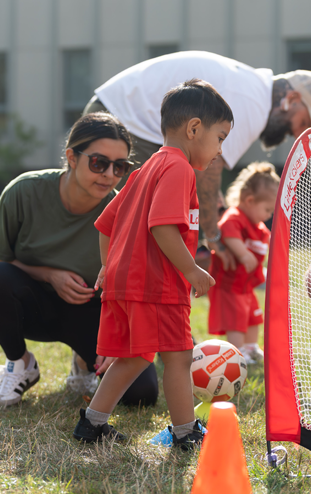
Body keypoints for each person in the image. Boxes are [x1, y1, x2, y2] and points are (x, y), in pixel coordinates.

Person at [72, 79, 232, 449]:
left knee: (133, 356)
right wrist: (190, 269)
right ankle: (186, 432)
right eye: (220, 137)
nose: (221, 149)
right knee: (179, 357)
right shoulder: (179, 170)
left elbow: (105, 226)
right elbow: (161, 225)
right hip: (157, 285)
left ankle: (92, 424)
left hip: (126, 283)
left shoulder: (144, 170)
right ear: (194, 129)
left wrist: (107, 267)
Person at [83, 51, 311, 269]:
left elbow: (203, 172)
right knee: (125, 217)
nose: (295, 134)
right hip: (119, 115)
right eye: (301, 123)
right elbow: (208, 174)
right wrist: (214, 239)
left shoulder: (252, 87)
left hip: (123, 112)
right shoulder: (254, 104)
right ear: (291, 100)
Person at [0, 112, 159, 407]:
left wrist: (122, 337)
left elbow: (135, 284)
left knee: (141, 395)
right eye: (99, 163)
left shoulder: (124, 210)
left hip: (91, 312)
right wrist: (49, 275)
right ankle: (20, 363)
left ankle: (84, 364)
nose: (110, 174)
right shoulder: (24, 191)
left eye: (120, 166)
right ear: (72, 157)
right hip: (33, 307)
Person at [207, 162, 279, 364]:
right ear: (249, 200)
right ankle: (236, 353)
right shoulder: (235, 217)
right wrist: (243, 254)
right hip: (230, 285)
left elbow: (268, 241)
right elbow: (227, 231)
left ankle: (251, 347)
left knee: (254, 316)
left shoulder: (258, 226)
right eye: (267, 210)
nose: (268, 216)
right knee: (236, 320)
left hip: (245, 285)